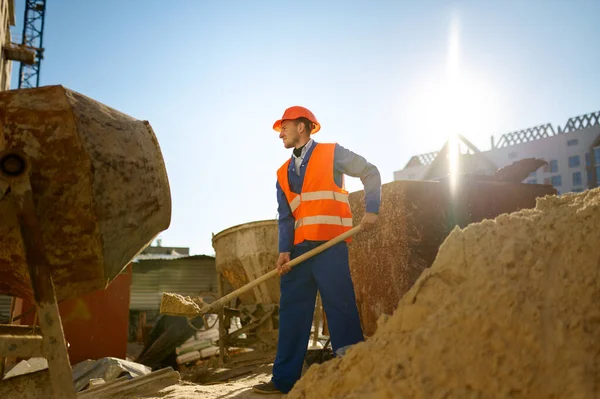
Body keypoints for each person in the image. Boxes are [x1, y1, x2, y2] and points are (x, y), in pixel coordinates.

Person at [253, 106, 381, 395]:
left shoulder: (332, 153)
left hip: (330, 247)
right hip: (298, 253)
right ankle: (284, 380)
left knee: (340, 307)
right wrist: (284, 250)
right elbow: (286, 216)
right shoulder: (282, 173)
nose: (280, 133)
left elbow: (370, 172)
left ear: (301, 126)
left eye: (283, 127)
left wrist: (372, 209)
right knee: (292, 313)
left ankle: (353, 373)